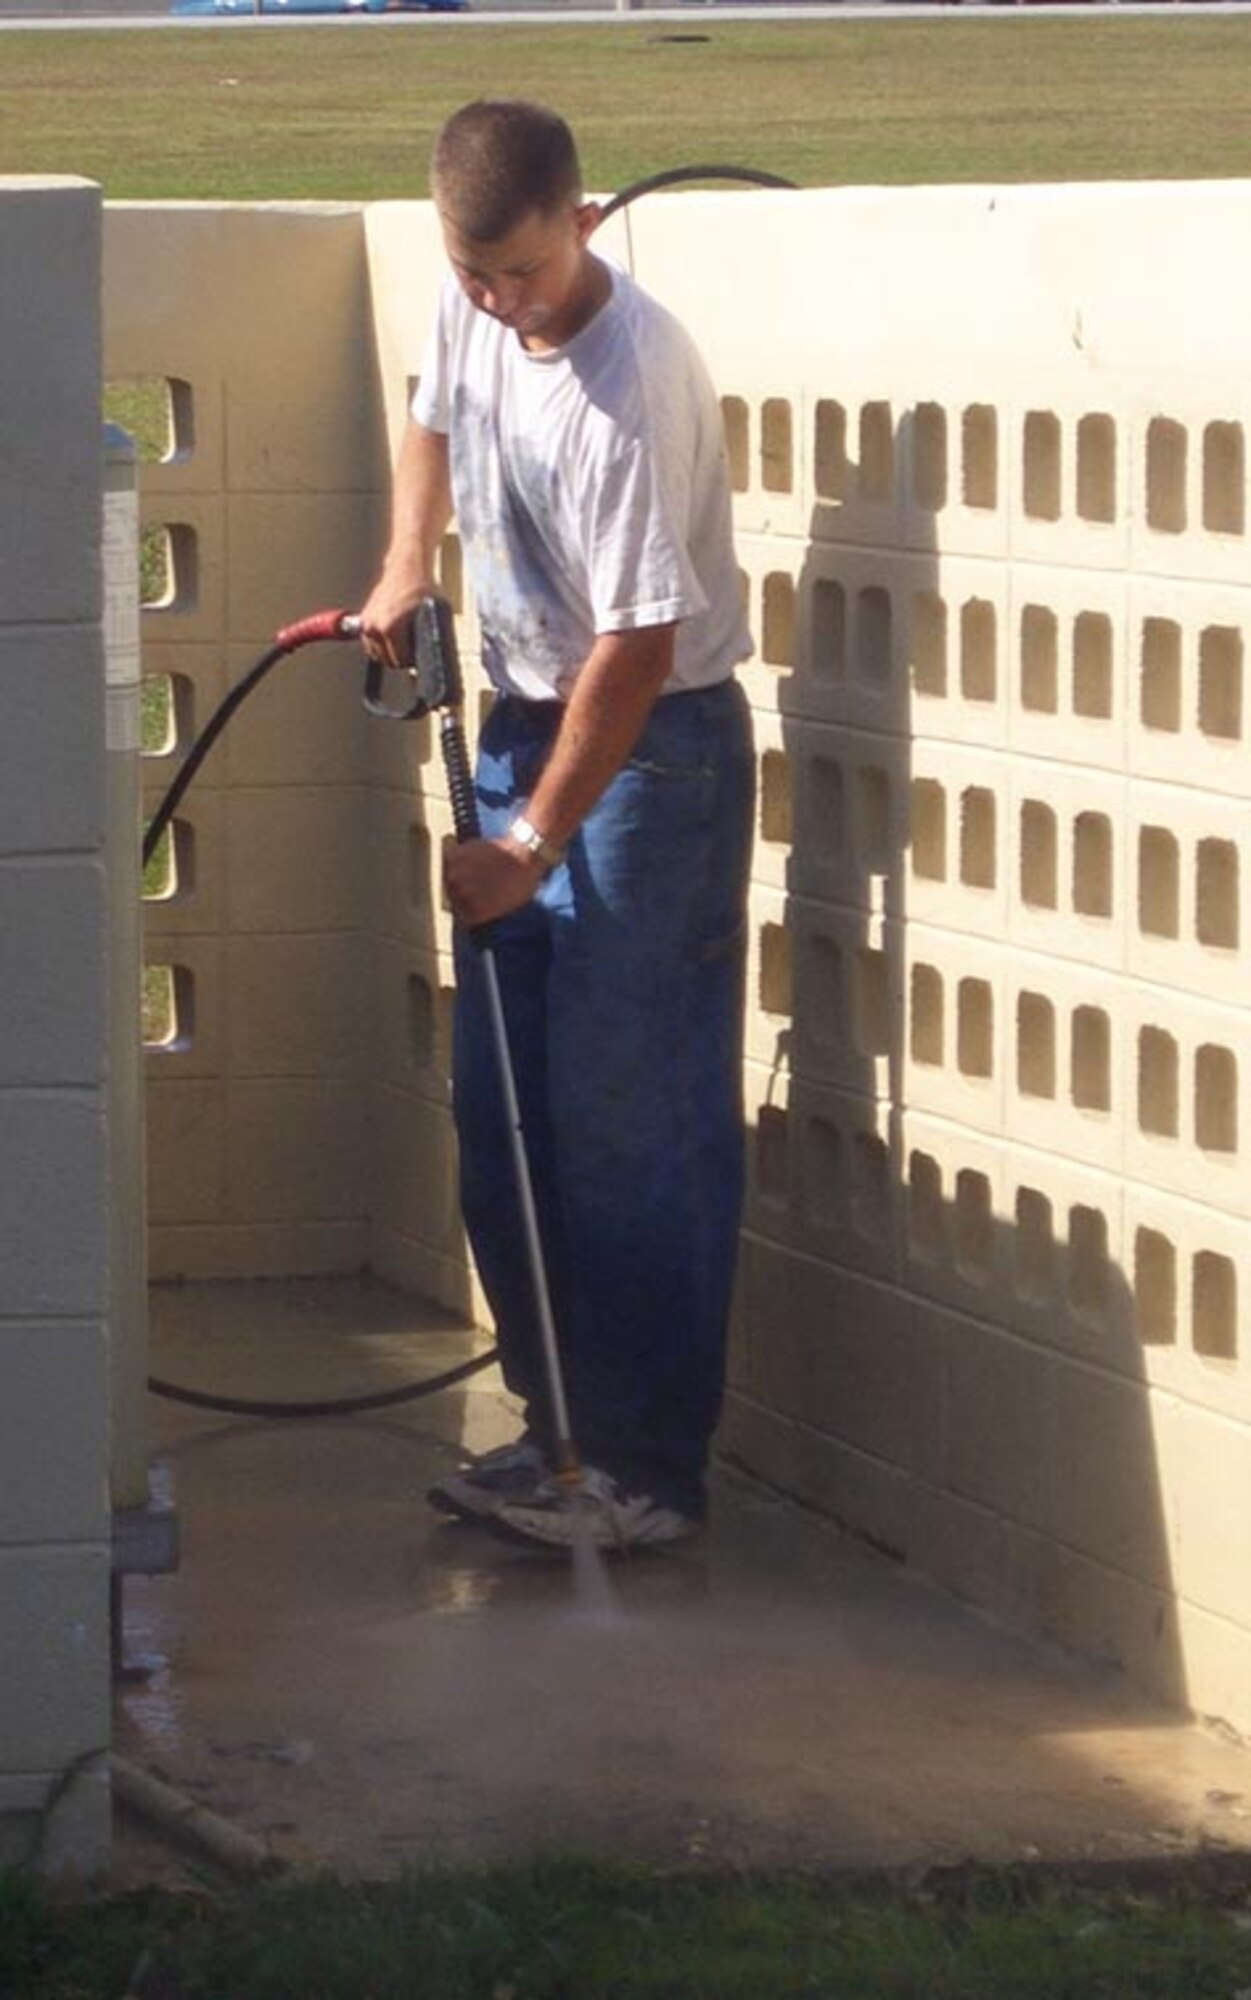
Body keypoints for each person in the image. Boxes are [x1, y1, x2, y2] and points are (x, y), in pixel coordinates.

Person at [359, 99, 755, 1552]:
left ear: (584, 225)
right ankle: (554, 1438)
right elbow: (432, 416)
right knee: (502, 1107)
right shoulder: (471, 301)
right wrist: (407, 565)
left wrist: (524, 846)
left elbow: (642, 650)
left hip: (655, 757)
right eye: (477, 277)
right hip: (527, 719)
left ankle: (647, 1472)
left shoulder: (631, 382)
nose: (500, 302)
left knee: (626, 1119)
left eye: (525, 275)